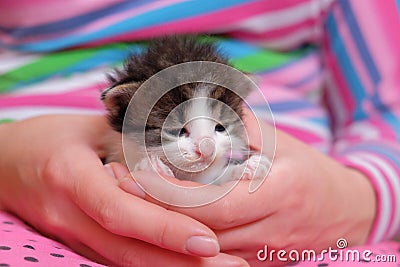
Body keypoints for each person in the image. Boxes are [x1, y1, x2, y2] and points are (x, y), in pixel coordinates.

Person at [0, 0, 399, 266]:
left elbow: (389, 102)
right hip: (27, 215)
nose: (206, 145)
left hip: (329, 234)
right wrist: (9, 159)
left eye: (221, 125)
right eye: (177, 129)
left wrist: (363, 199)